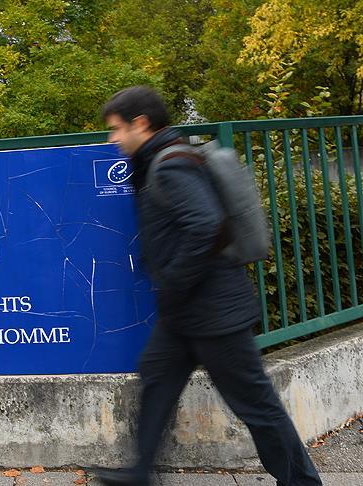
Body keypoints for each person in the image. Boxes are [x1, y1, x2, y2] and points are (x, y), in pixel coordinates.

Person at [94, 86, 322, 486]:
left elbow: (206, 226)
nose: (113, 139)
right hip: (184, 311)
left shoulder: (170, 165)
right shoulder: (160, 159)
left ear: (140, 124)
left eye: (117, 129)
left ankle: (303, 482)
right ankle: (139, 474)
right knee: (157, 380)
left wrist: (174, 282)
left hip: (214, 311)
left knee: (256, 406)